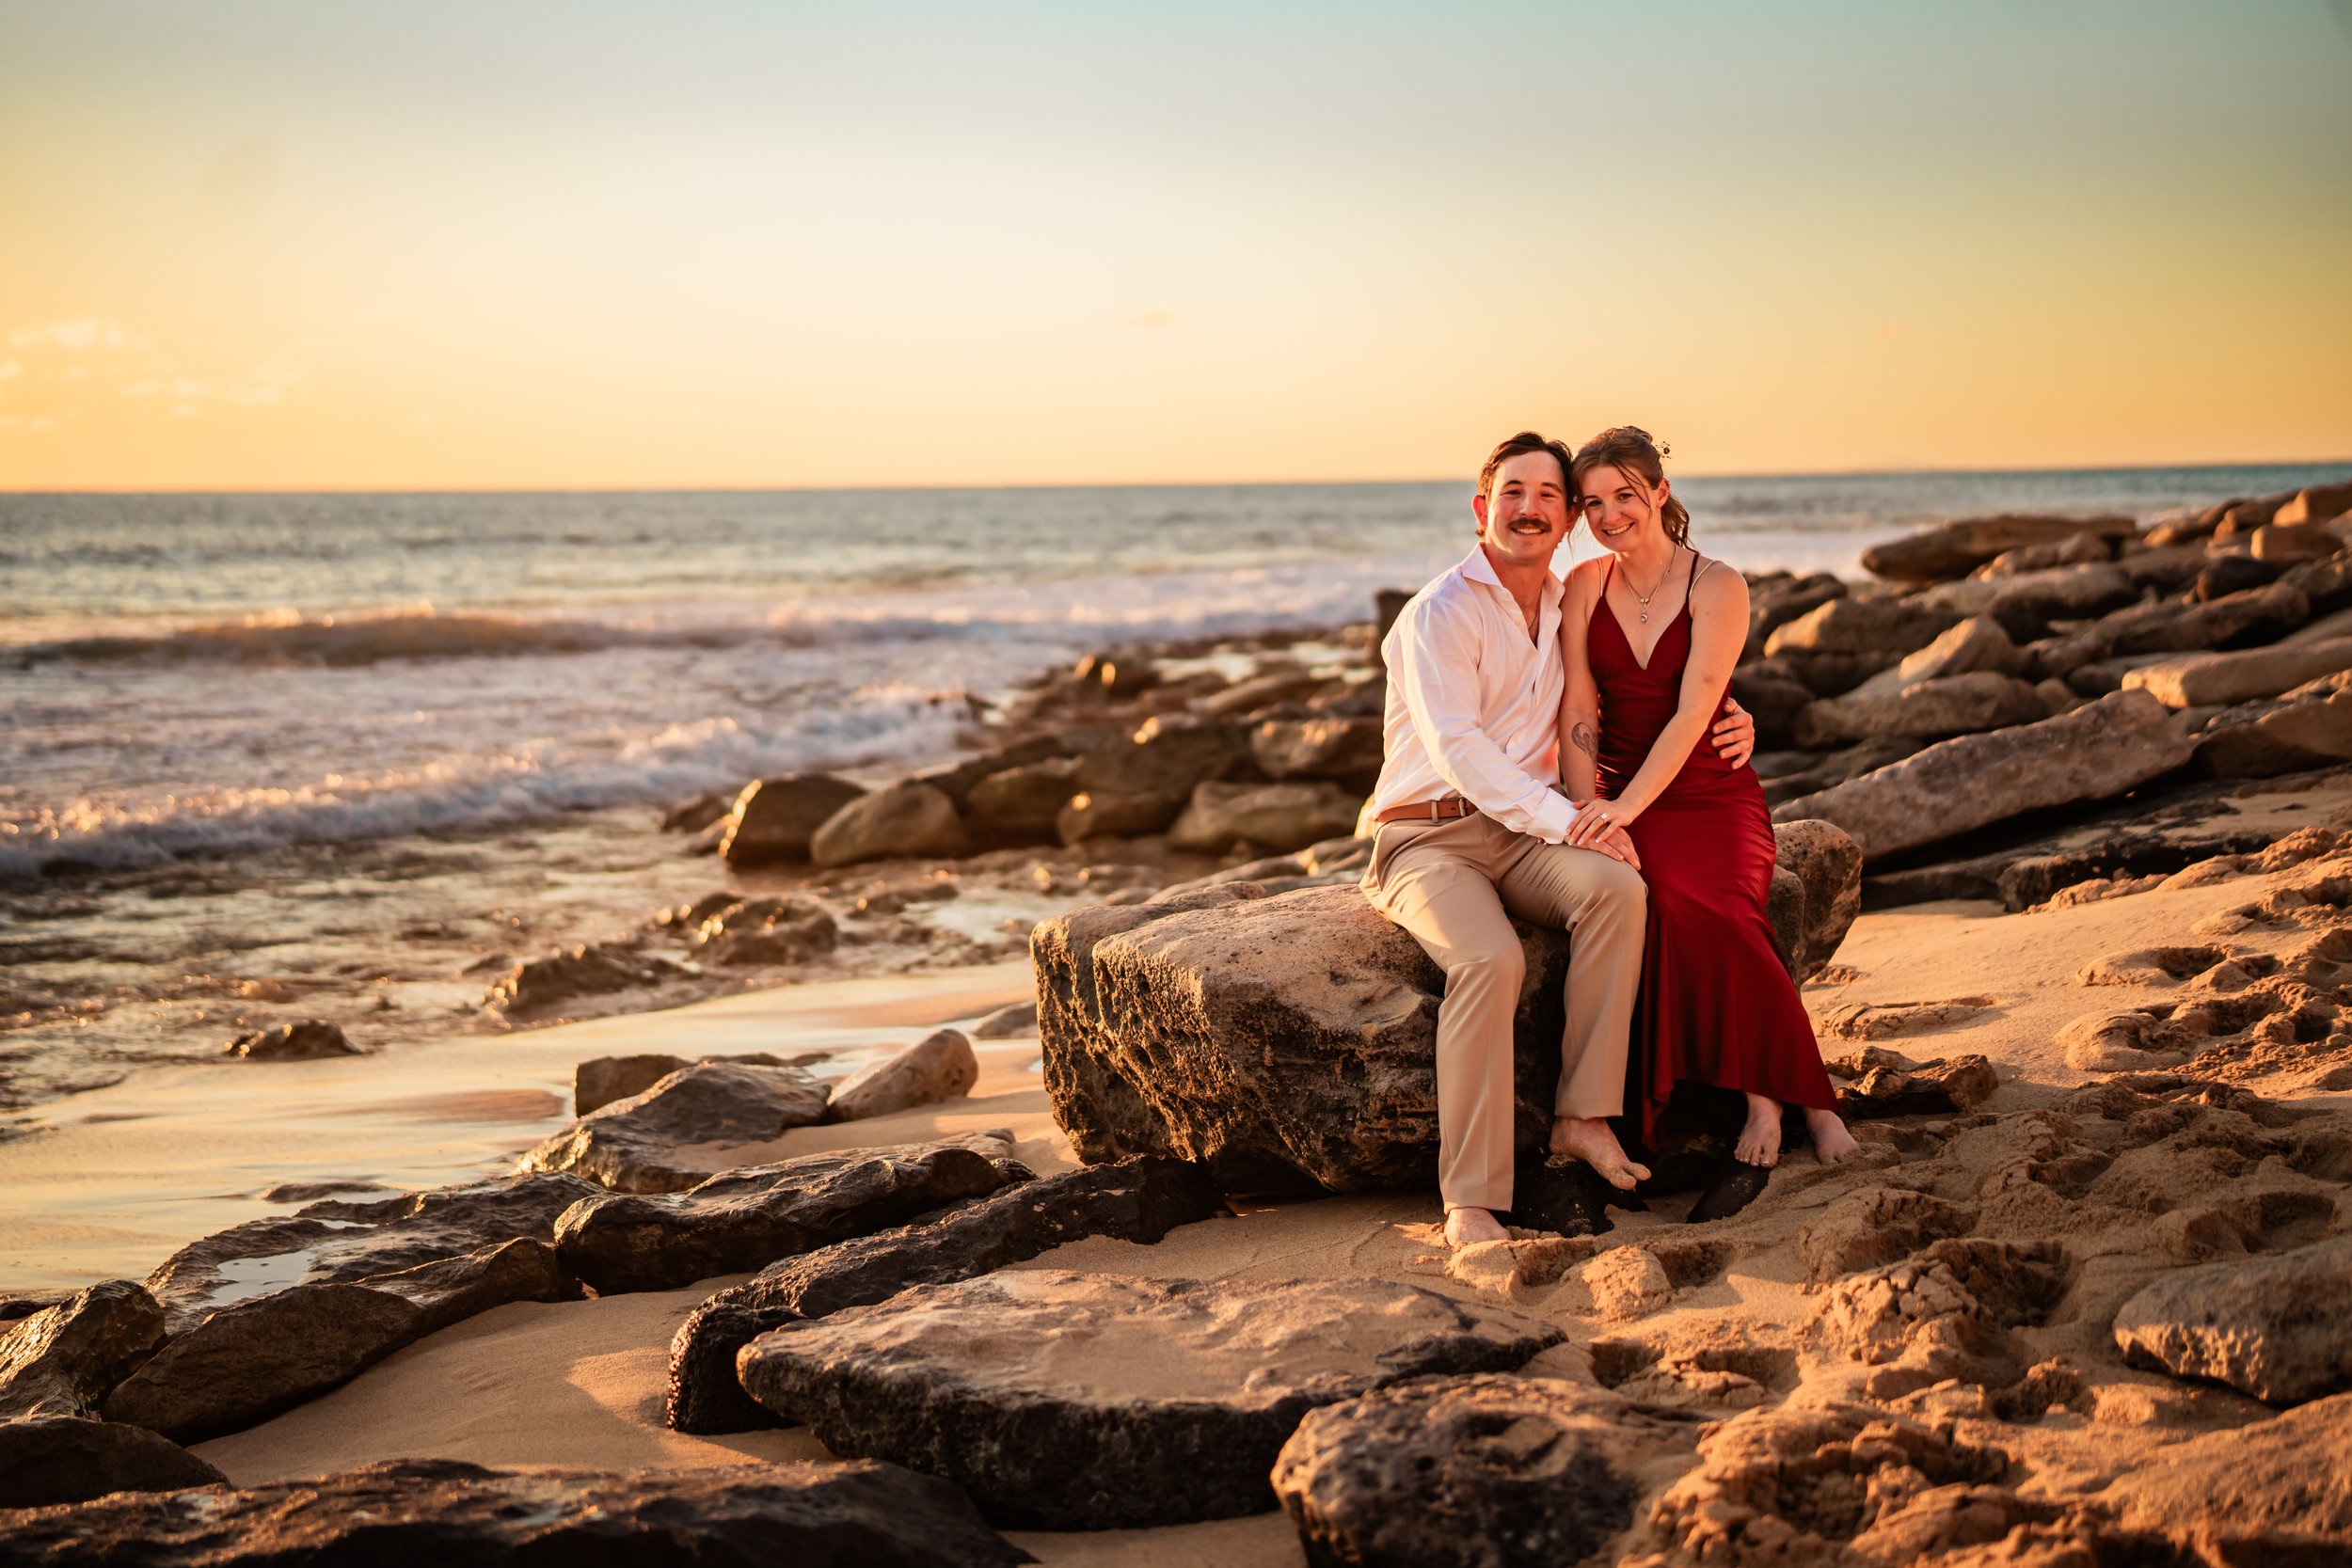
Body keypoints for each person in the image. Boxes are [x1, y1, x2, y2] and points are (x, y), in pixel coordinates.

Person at [1360, 431, 1756, 1249]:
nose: (1530, 507)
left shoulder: (1570, 599)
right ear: (1483, 510)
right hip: (1426, 837)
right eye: (1513, 492)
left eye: (1548, 495)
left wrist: (1742, 717)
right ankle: (1470, 1199)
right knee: (1491, 960)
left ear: (1570, 517)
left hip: (1522, 829)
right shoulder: (1441, 610)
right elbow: (1456, 751)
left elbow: (1642, 691)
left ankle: (1582, 1115)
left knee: (1617, 891)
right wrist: (1573, 821)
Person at [1556, 425, 1859, 1177]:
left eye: (1625, 495)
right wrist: (1587, 809)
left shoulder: (1717, 584)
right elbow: (1577, 714)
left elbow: (1695, 712)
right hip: (1619, 789)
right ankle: (1802, 1094)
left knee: (1722, 905)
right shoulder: (1583, 586)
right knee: (1658, 902)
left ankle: (1778, 1098)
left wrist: (1624, 808)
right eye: (1593, 502)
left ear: (1659, 491)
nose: (1610, 514)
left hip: (1712, 789)